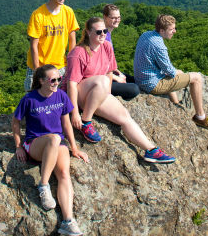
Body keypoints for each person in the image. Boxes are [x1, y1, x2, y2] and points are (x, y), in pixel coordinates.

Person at [63, 17, 176, 163]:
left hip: (97, 92)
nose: (103, 34)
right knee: (102, 80)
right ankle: (86, 122)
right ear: (88, 32)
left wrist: (106, 95)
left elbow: (110, 72)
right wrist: (74, 114)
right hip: (79, 94)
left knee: (125, 117)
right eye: (98, 32)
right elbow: (71, 84)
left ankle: (151, 150)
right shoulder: (78, 53)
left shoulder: (107, 47)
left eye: (104, 31)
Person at [12, 65, 90, 236]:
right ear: (41, 81)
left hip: (57, 142)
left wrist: (74, 148)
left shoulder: (61, 96)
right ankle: (43, 185)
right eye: (52, 80)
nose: (56, 83)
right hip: (35, 143)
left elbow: (66, 123)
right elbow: (15, 122)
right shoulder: (29, 99)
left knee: (64, 173)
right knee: (54, 138)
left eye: (58, 79)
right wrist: (19, 146)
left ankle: (68, 221)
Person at [134, 14, 208, 130]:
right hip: (151, 84)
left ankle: (176, 104)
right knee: (196, 78)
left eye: (174, 28)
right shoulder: (159, 45)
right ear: (162, 30)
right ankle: (200, 117)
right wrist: (180, 73)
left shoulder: (146, 35)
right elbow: (170, 72)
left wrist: (177, 72)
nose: (174, 31)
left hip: (141, 79)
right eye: (171, 29)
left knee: (174, 73)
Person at [25, 0, 79, 91]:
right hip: (40, 65)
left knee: (59, 99)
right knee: (35, 100)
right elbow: (33, 46)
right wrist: (37, 72)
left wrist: (72, 63)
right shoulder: (38, 15)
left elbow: (72, 40)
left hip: (60, 65)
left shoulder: (68, 12)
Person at [101, 4, 140, 101]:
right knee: (134, 89)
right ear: (105, 17)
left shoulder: (108, 34)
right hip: (102, 78)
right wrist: (116, 78)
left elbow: (110, 63)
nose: (117, 20)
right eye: (113, 17)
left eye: (118, 17)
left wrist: (118, 72)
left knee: (136, 81)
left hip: (109, 73)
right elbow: (99, 67)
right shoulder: (102, 36)